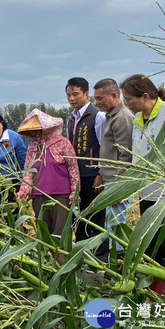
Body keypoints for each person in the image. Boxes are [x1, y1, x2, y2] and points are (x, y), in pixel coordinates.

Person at [119, 74, 165, 298]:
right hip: (147, 192)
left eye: (129, 99)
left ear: (146, 96)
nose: (126, 103)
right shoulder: (139, 119)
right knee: (151, 241)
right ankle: (157, 289)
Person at [16, 109, 79, 264]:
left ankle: (62, 268)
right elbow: (28, 171)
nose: (37, 132)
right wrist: (24, 189)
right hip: (39, 196)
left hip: (60, 196)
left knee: (59, 234)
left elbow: (73, 168)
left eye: (39, 129)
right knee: (45, 233)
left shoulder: (62, 143)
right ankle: (49, 266)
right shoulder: (33, 146)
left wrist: (75, 193)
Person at [65, 77, 109, 261]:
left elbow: (103, 145)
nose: (71, 98)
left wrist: (101, 172)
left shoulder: (97, 116)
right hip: (77, 176)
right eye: (68, 95)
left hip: (93, 175)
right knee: (80, 216)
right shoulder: (71, 119)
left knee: (97, 216)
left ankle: (101, 256)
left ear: (86, 93)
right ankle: (82, 255)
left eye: (75, 94)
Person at [93, 79, 134, 252]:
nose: (97, 103)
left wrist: (119, 188)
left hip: (118, 182)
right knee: (111, 224)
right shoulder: (111, 116)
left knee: (117, 226)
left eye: (100, 98)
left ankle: (119, 262)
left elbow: (126, 156)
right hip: (110, 179)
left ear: (114, 95)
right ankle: (115, 264)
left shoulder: (122, 118)